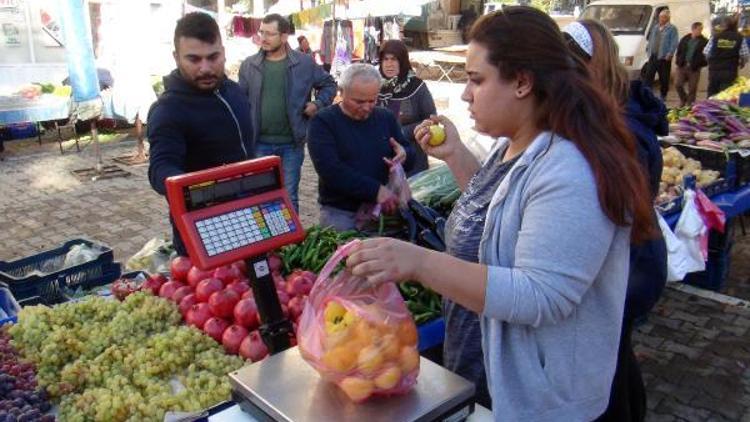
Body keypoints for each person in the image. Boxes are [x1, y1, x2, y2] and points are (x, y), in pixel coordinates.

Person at [346, 7, 657, 420]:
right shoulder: (514, 145)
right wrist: (456, 155)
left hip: (536, 400)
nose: (464, 94)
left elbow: (539, 294)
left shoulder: (570, 168)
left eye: (476, 80)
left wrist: (419, 262)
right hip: (485, 370)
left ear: (523, 82)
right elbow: (496, 217)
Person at [564, 19, 668, 422]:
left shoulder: (622, 130)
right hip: (626, 264)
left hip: (630, 268)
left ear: (591, 67)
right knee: (614, 357)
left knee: (605, 368)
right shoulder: (608, 118)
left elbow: (611, 210)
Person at [147, 12, 254, 257]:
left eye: (213, 57)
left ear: (224, 52)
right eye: (193, 59)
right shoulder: (168, 110)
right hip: (202, 228)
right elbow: (160, 169)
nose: (205, 68)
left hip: (248, 215)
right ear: (176, 58)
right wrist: (200, 192)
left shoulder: (234, 92)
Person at [239, 14, 336, 212]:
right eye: (262, 32)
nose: (264, 38)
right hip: (259, 144)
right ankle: (266, 242)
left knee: (289, 195)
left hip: (291, 143)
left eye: (270, 34)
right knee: (261, 197)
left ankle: (290, 242)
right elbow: (240, 101)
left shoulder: (304, 63)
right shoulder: (250, 65)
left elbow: (329, 84)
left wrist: (317, 104)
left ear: (284, 37)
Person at [307, 64, 415, 231]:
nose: (366, 107)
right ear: (341, 92)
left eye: (372, 100)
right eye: (358, 101)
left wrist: (404, 154)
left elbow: (409, 153)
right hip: (341, 213)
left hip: (383, 212)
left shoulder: (385, 117)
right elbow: (331, 171)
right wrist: (375, 191)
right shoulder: (323, 122)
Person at [377, 40, 436, 176]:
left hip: (413, 161)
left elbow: (431, 119)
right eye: (385, 59)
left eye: (394, 59)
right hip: (383, 160)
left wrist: (402, 133)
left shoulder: (417, 87)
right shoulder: (376, 86)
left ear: (402, 61)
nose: (389, 64)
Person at [705, 15, 749, 97]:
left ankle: (710, 108)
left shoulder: (716, 37)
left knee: (712, 94)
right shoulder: (739, 38)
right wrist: (742, 63)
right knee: (726, 95)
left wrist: (711, 62)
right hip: (730, 71)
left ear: (725, 26)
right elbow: (745, 55)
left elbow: (706, 52)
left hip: (714, 71)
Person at [643, 9, 678, 100]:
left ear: (667, 18)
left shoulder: (672, 29)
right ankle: (647, 95)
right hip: (653, 56)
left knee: (664, 78)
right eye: (660, 17)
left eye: (663, 17)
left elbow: (674, 42)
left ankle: (663, 95)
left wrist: (670, 53)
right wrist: (648, 50)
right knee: (648, 76)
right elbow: (650, 40)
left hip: (664, 57)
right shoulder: (655, 27)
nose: (661, 19)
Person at [675, 22, 708, 106]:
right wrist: (678, 60)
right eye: (699, 29)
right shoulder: (685, 39)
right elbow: (679, 50)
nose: (700, 31)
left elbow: (707, 55)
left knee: (692, 88)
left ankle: (690, 105)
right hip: (682, 66)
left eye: (701, 29)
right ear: (693, 29)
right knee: (678, 84)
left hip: (694, 68)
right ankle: (683, 99)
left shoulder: (704, 41)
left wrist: (701, 63)